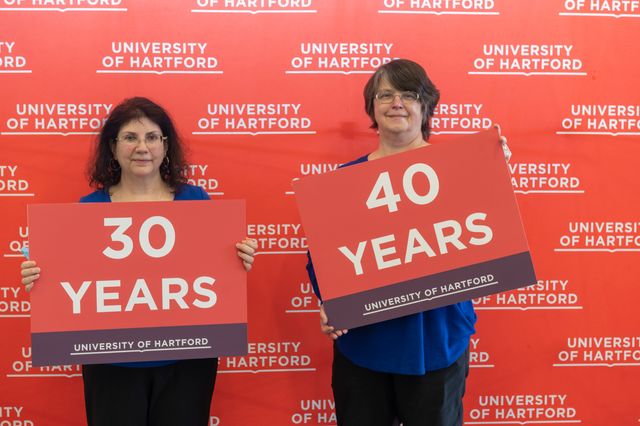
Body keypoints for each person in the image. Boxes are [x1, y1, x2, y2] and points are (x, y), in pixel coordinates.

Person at [20, 97, 258, 426]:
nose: (142, 147)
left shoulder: (197, 201)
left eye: (152, 137)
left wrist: (238, 261)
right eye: (130, 137)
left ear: (165, 146)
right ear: (113, 147)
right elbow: (70, 286)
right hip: (110, 363)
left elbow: (218, 280)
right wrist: (40, 277)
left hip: (187, 361)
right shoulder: (88, 209)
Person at [306, 59, 511, 426]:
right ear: (372, 107)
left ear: (426, 105)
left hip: (437, 340)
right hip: (364, 344)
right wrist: (328, 302)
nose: (396, 103)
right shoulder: (345, 180)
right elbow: (321, 257)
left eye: (408, 94)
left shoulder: (459, 170)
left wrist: (491, 177)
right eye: (385, 95)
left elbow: (486, 237)